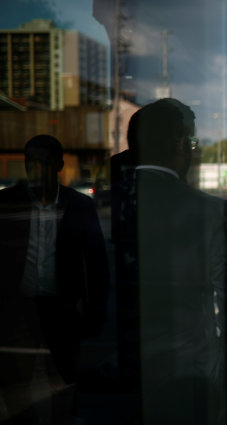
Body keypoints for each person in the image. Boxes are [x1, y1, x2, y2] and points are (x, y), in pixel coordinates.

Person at [127, 98, 227, 425]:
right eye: (194, 142)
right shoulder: (211, 211)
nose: (195, 152)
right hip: (193, 377)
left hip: (120, 375)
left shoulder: (109, 207)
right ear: (180, 144)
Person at [0, 134, 109, 422]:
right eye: (32, 164)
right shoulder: (7, 203)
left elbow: (98, 265)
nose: (37, 171)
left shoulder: (79, 206)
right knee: (16, 390)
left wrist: (94, 316)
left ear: (59, 166)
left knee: (63, 391)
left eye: (44, 164)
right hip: (16, 312)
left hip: (62, 312)